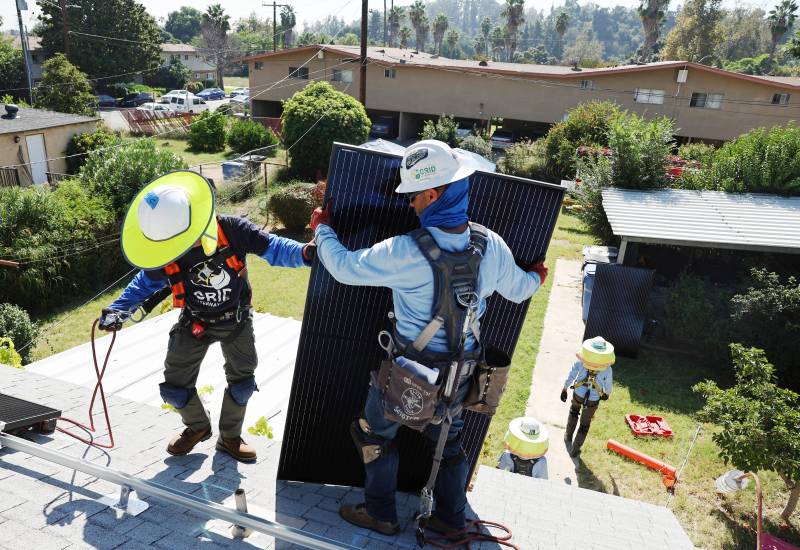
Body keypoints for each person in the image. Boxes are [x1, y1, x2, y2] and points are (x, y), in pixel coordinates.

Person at [309, 140, 548, 537]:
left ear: (433, 194)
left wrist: (323, 230)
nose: (410, 205)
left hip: (406, 376)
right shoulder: (492, 245)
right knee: (449, 449)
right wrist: (538, 276)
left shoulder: (404, 251)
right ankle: (450, 522)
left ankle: (381, 513)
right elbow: (522, 289)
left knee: (373, 433)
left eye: (414, 196)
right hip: (461, 379)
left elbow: (345, 268)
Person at [98, 170, 313, 462]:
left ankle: (230, 438)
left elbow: (273, 247)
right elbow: (145, 283)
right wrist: (117, 310)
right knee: (174, 385)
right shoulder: (168, 247)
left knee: (242, 381)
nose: (184, 249)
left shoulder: (232, 230)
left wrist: (304, 254)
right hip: (195, 322)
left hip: (235, 321)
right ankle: (198, 427)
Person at [561, 336, 615, 458]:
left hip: (578, 394)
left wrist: (565, 388)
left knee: (573, 412)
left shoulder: (581, 362)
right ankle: (575, 449)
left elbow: (572, 375)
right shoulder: (607, 369)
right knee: (585, 424)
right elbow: (608, 385)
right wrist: (607, 394)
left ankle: (568, 436)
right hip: (593, 399)